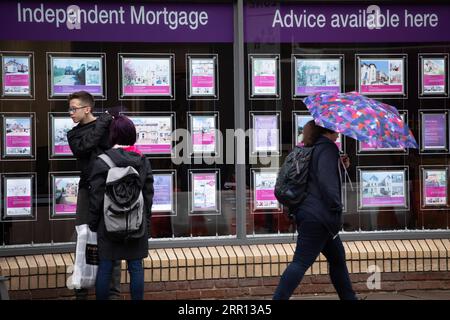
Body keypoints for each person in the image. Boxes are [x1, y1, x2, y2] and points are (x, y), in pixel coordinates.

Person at [273, 120, 357, 300]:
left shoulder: (313, 147)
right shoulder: (327, 149)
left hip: (312, 214)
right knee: (301, 262)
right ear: (330, 129)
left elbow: (316, 179)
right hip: (319, 217)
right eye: (338, 127)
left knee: (337, 259)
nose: (340, 130)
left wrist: (340, 168)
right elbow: (327, 184)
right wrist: (336, 206)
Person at [88, 115, 154, 300]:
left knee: (106, 267)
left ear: (113, 135)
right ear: (132, 134)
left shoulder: (102, 161)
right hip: (136, 223)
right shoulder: (142, 161)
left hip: (108, 224)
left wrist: (94, 224)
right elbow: (148, 196)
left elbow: (96, 198)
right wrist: (146, 224)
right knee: (135, 267)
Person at [66, 91, 121, 300]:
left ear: (87, 108)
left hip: (110, 190)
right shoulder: (73, 134)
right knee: (83, 238)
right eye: (69, 109)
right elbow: (85, 146)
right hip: (87, 191)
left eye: (74, 108)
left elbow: (110, 147)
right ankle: (81, 289)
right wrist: (103, 121)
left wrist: (105, 122)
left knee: (110, 238)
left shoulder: (109, 127)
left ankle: (112, 293)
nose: (70, 113)